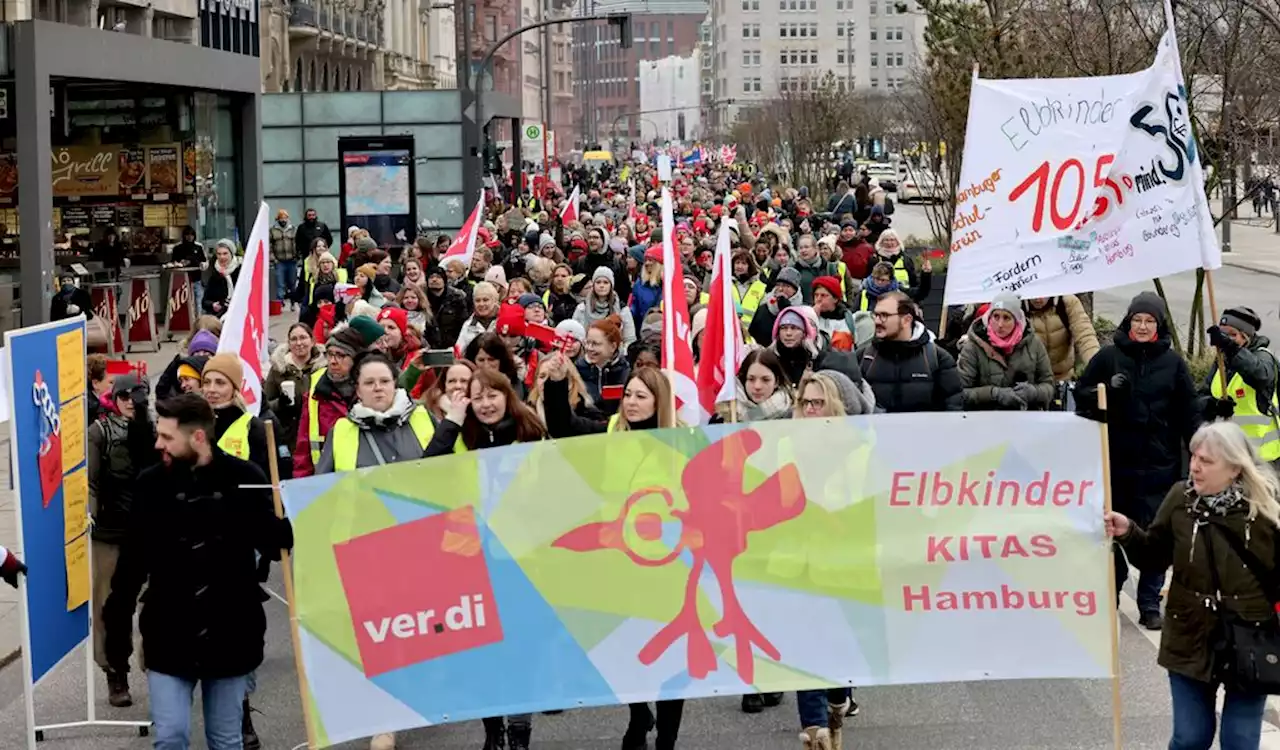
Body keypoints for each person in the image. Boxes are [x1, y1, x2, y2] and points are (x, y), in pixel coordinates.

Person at [102, 394, 293, 750]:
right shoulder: (150, 484)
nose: (158, 443)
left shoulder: (243, 478)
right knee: (171, 735)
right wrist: (117, 633)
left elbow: (274, 546)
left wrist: (282, 524)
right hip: (169, 630)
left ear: (198, 438)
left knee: (225, 739)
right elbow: (131, 564)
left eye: (167, 437)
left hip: (232, 630)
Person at [1105, 421, 1280, 750]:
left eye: (1206, 461)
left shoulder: (1265, 508)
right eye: (1193, 456)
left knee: (1240, 741)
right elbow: (1154, 557)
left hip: (1249, 638)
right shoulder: (1179, 499)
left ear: (1234, 467)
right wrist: (1128, 531)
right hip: (1189, 635)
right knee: (1190, 738)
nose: (1195, 466)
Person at [413, 368, 547, 750]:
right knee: (482, 650)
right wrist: (452, 421)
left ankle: (520, 730)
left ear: (507, 395)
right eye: (477, 396)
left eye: (493, 395)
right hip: (471, 558)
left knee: (522, 649)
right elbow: (424, 469)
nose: (486, 404)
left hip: (522, 558)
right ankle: (494, 730)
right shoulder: (461, 436)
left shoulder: (530, 433)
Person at [1076, 291, 1201, 630]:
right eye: (1137, 320)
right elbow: (1081, 396)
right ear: (1128, 322)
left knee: (1156, 536)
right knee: (1114, 532)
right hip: (1117, 463)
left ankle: (1149, 603)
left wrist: (1201, 446)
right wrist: (1105, 391)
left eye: (1149, 321)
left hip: (1160, 466)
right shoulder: (1109, 357)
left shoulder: (1173, 364)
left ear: (1159, 325)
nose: (1143, 327)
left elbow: (1189, 410)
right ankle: (1110, 594)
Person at [87, 374, 156, 709]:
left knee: (158, 603)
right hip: (110, 533)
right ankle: (115, 673)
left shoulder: (155, 431)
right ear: (114, 398)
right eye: (124, 395)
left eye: (137, 394)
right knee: (110, 608)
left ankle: (158, 667)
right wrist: (88, 515)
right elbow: (90, 482)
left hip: (150, 531)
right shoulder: (99, 432)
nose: (130, 400)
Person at [292, 317, 385, 477]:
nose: (333, 361)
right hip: (325, 478)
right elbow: (303, 445)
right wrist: (302, 485)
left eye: (341, 355)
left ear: (356, 360)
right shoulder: (316, 388)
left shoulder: (370, 389)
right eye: (330, 354)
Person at [856, 290, 964, 412]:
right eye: (875, 315)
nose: (877, 321)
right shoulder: (863, 357)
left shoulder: (938, 358)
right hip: (876, 430)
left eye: (884, 315)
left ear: (906, 319)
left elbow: (953, 406)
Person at [1202, 306, 1280, 467]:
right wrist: (1212, 406)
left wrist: (1231, 349)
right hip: (1229, 452)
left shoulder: (1263, 357)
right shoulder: (1221, 361)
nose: (1227, 339)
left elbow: (1259, 374)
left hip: (1262, 459)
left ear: (1246, 336)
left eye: (1232, 334)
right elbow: (1203, 393)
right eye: (1223, 334)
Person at [957, 291, 1055, 411]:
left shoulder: (1034, 344)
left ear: (1017, 320)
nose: (1000, 324)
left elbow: (1049, 385)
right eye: (996, 317)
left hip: (1026, 418)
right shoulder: (973, 347)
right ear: (989, 317)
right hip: (985, 420)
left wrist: (1033, 392)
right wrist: (993, 394)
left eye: (1007, 318)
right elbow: (959, 393)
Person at [768, 306, 873, 407]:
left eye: (794, 328)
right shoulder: (771, 360)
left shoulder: (829, 360)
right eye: (783, 328)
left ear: (805, 331)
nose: (788, 333)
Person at [201, 353, 271, 478]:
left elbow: (263, 478)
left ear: (234, 388)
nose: (211, 389)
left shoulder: (252, 426)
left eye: (220, 383)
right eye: (206, 382)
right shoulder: (194, 423)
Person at [263, 323, 325, 448]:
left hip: (317, 434)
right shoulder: (278, 369)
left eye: (303, 337)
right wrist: (280, 403)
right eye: (294, 339)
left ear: (312, 341)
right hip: (287, 436)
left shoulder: (323, 368)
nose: (298, 343)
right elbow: (266, 405)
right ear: (289, 343)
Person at [1023, 295, 1100, 382]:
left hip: (1062, 377)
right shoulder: (1016, 306)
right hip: (1030, 380)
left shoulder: (1067, 302)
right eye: (1034, 294)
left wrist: (1097, 365)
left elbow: (1085, 335)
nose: (1038, 298)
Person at [577, 316, 631, 416]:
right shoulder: (577, 370)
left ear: (613, 346)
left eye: (595, 344)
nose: (589, 348)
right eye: (587, 343)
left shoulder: (626, 373)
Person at [573, 267, 637, 350]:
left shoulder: (623, 310)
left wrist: (620, 353)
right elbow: (575, 335)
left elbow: (630, 339)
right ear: (593, 285)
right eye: (598, 282)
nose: (601, 286)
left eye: (606, 282)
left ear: (611, 285)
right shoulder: (582, 308)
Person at [155, 323, 221, 401]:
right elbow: (162, 392)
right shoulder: (179, 368)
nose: (201, 356)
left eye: (206, 353)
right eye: (197, 353)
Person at [749, 266, 804, 348]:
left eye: (786, 286)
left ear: (795, 290)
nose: (781, 289)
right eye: (778, 285)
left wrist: (786, 309)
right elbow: (752, 333)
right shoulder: (764, 308)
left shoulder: (802, 311)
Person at [425, 266, 470, 347]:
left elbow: (463, 323)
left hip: (451, 346)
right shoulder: (421, 299)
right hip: (428, 346)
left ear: (444, 280)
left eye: (438, 277)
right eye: (431, 277)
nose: (434, 279)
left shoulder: (457, 298)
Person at [421, 360, 476, 424]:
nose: (458, 386)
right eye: (452, 381)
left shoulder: (483, 411)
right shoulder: (428, 411)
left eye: (464, 381)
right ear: (444, 384)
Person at [456, 281, 500, 354]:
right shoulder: (468, 326)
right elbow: (459, 353)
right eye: (477, 300)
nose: (481, 304)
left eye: (485, 300)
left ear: (494, 301)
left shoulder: (504, 321)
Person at [202, 239, 240, 316]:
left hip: (239, 315)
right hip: (219, 317)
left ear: (231, 254)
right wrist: (213, 305)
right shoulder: (213, 272)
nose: (222, 257)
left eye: (225, 253)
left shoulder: (241, 270)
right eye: (219, 254)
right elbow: (205, 301)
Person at [269, 209, 298, 309]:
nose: (283, 220)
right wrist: (273, 258)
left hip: (292, 260)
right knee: (280, 284)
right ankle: (280, 303)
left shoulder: (293, 229)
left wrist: (297, 256)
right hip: (279, 260)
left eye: (285, 218)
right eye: (281, 218)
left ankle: (293, 302)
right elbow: (269, 245)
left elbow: (298, 243)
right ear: (277, 219)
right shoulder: (272, 230)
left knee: (292, 283)